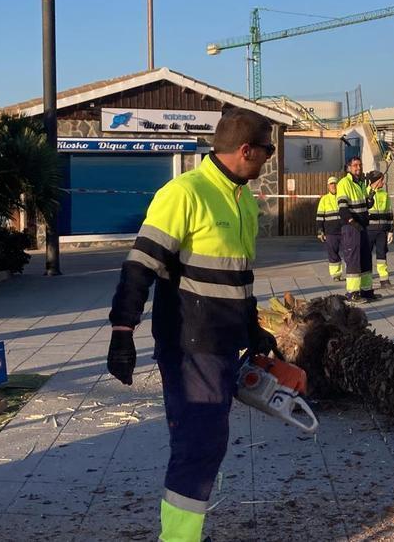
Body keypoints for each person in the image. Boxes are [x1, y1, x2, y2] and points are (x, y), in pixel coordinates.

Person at [106, 108, 280, 542]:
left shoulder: (241, 201)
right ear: (246, 150)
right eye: (268, 150)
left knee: (209, 441)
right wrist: (121, 333)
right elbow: (138, 267)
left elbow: (237, 274)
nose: (269, 159)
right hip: (190, 345)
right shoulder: (185, 193)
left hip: (223, 344)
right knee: (198, 444)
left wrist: (253, 326)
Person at [336, 155, 377, 303]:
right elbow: (342, 208)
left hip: (363, 226)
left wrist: (371, 196)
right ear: (349, 167)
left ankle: (366, 291)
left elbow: (366, 204)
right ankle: (352, 293)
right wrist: (352, 222)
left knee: (366, 258)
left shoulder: (360, 183)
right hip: (352, 227)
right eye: (355, 166)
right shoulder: (344, 183)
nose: (358, 168)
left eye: (359, 165)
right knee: (353, 259)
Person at [365, 169, 394, 290]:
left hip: (382, 231)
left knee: (382, 255)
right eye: (381, 180)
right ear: (375, 181)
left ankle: (384, 280)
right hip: (368, 230)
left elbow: (389, 213)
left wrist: (391, 230)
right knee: (366, 256)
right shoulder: (364, 193)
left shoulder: (384, 194)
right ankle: (366, 282)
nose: (383, 182)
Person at [315, 175, 344, 282]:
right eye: (331, 184)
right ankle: (336, 274)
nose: (333, 186)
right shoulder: (324, 199)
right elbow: (319, 216)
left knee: (349, 252)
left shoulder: (342, 197)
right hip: (330, 232)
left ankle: (352, 272)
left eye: (335, 183)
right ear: (328, 186)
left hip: (344, 230)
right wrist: (320, 231)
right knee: (333, 253)